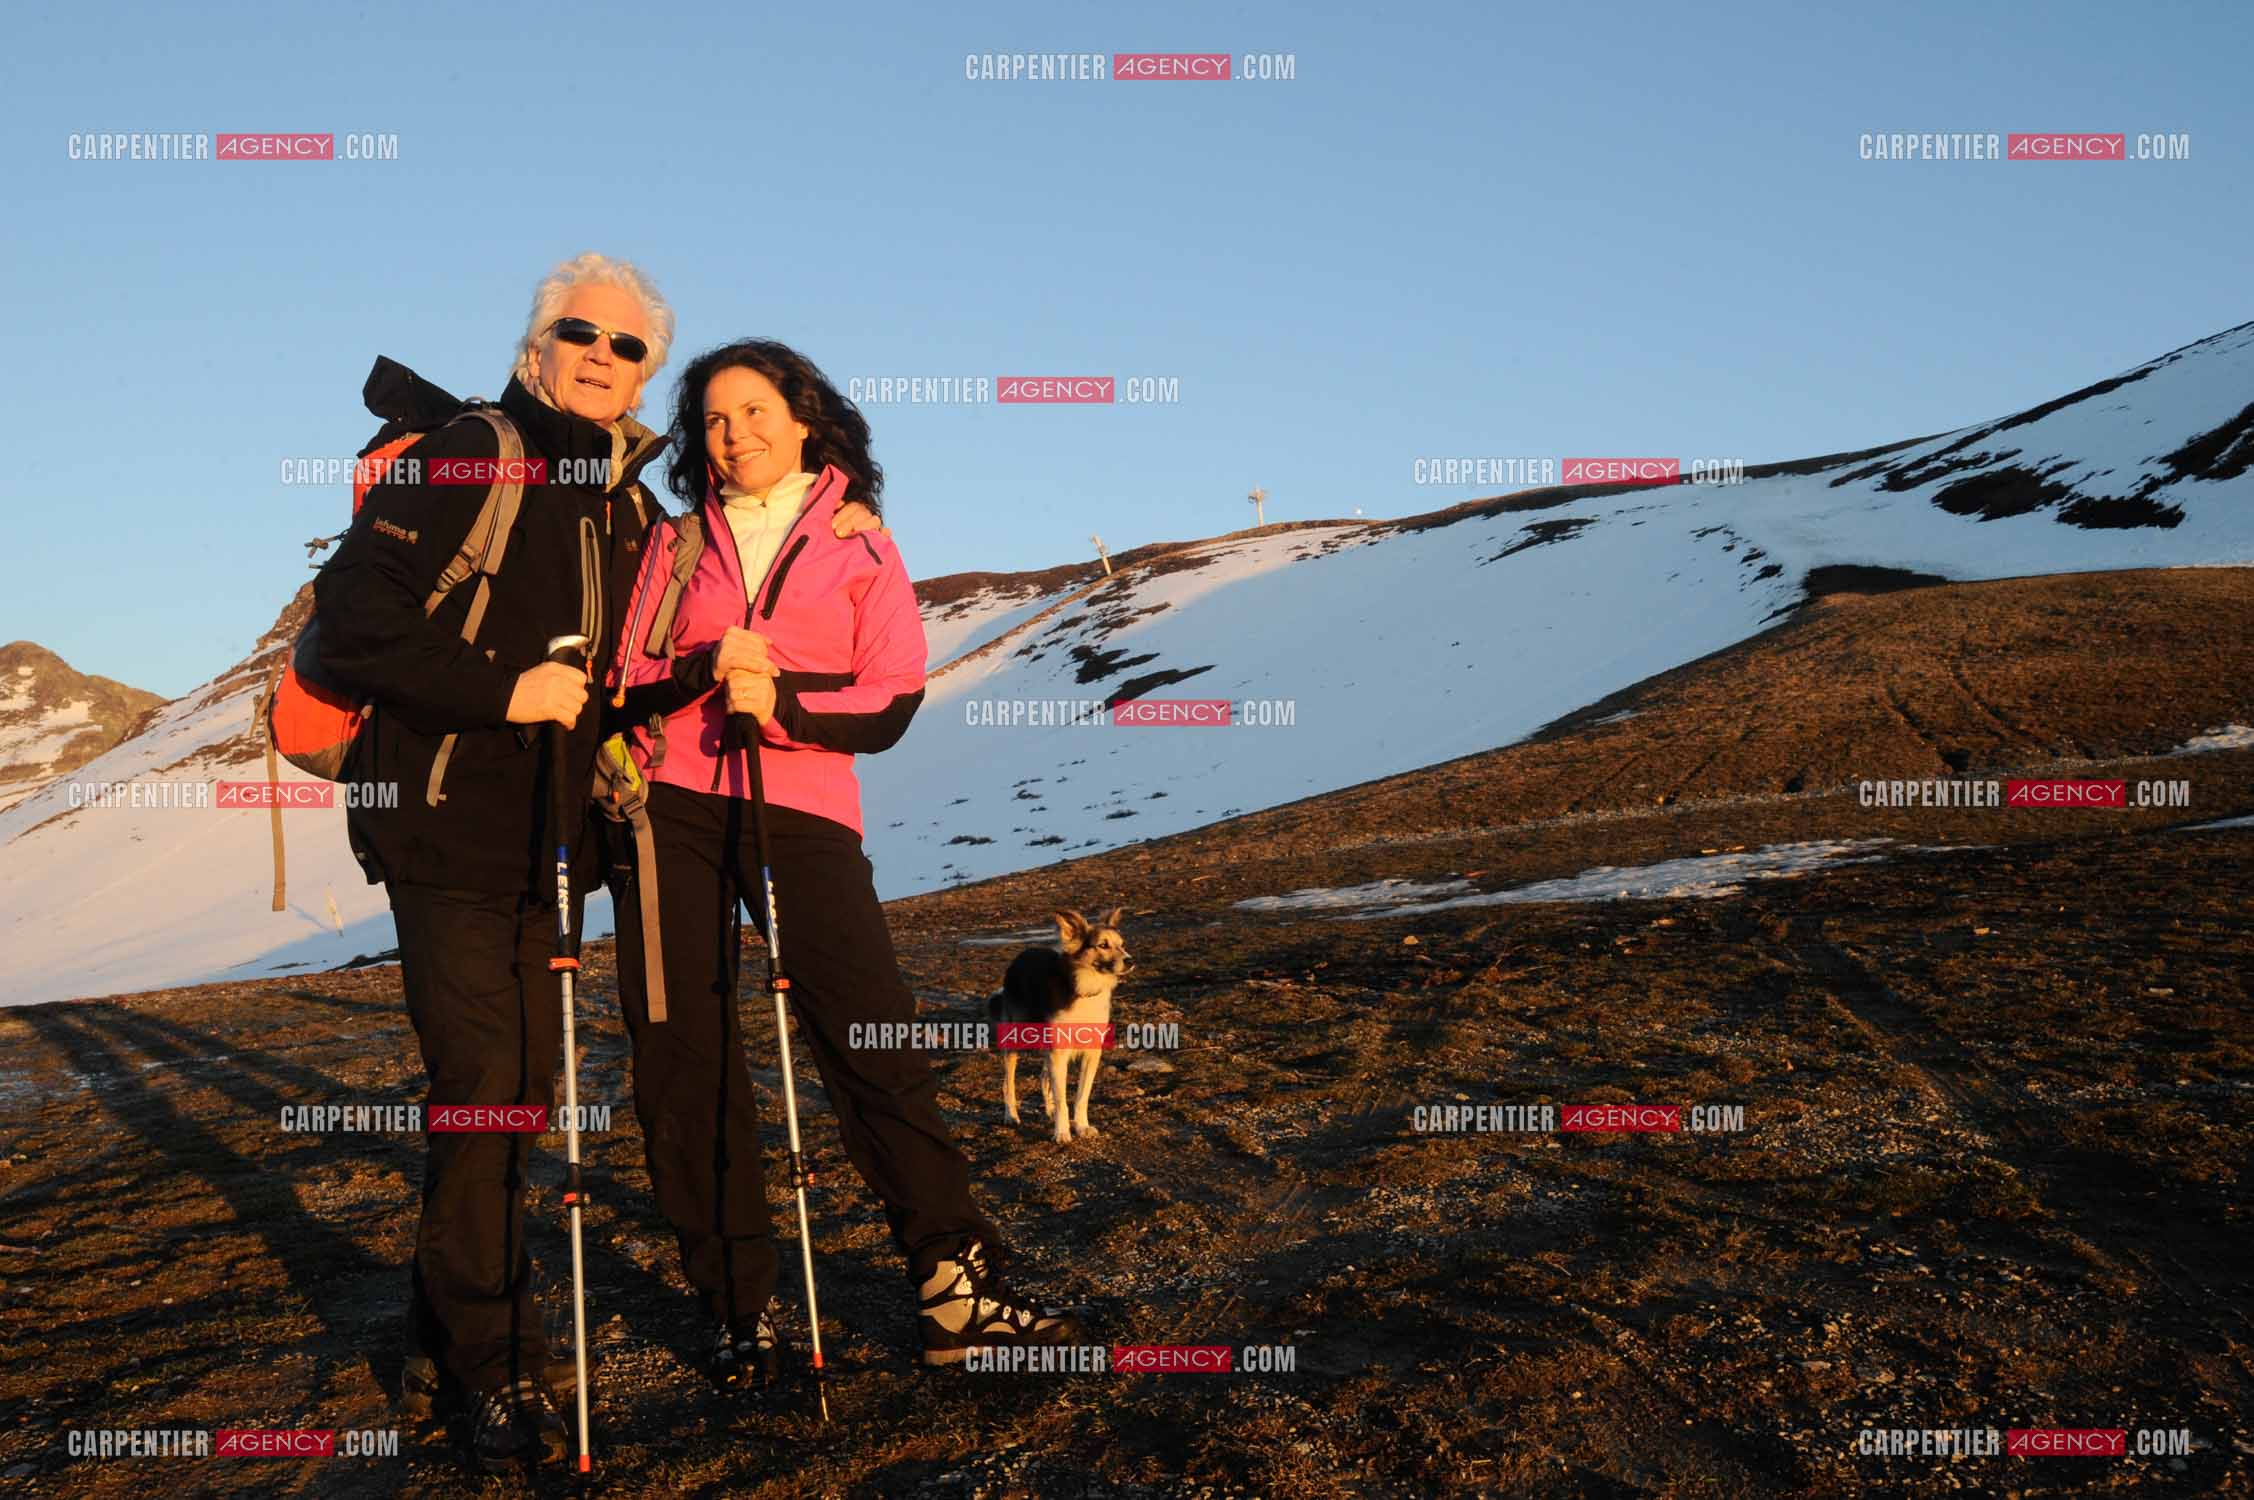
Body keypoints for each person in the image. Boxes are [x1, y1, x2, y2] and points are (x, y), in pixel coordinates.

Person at [312, 257, 883, 1472]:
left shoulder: (624, 500)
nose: (602, 356)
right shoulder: (473, 450)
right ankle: (491, 1378)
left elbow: (622, 677)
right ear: (534, 348)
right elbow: (350, 618)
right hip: (447, 825)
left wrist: (747, 630)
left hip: (557, 847)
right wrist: (499, 689)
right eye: (580, 334)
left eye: (630, 348)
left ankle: (446, 1352)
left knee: (510, 1103)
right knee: (486, 1098)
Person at [605, 338, 1084, 1388]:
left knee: (870, 1038)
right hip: (669, 813)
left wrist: (778, 701)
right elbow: (626, 675)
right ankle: (734, 1306)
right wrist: (689, 677)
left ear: (805, 417)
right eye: (715, 421)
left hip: (803, 809)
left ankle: (957, 1286)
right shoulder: (673, 544)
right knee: (681, 1057)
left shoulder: (863, 547)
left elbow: (892, 695)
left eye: (754, 410)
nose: (734, 435)